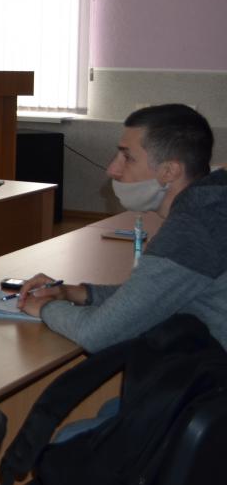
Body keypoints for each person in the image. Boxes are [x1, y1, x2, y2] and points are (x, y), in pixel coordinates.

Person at [19, 103, 227, 352]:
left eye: (127, 157)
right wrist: (73, 293)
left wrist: (45, 307)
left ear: (169, 171)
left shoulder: (192, 229)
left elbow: (96, 334)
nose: (112, 170)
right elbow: (150, 296)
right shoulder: (212, 203)